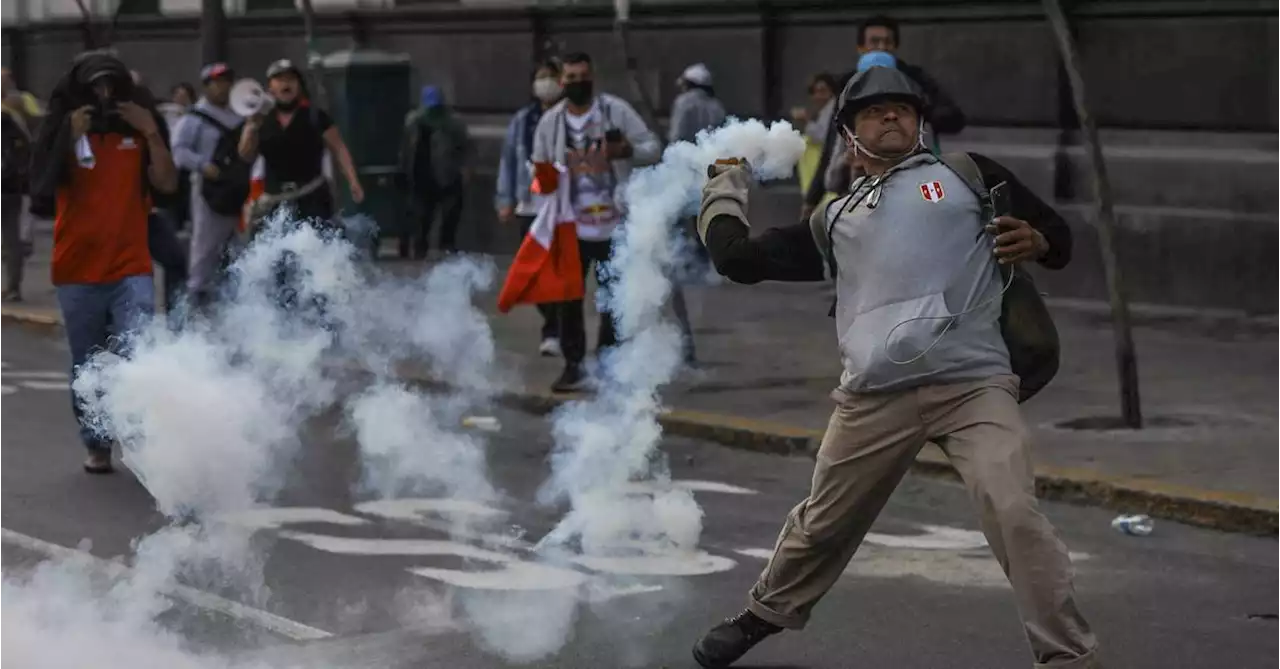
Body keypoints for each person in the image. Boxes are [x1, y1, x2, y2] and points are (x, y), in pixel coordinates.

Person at [690, 66, 1099, 669]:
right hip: (873, 397)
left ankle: (1068, 657)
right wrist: (724, 187)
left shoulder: (964, 175)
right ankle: (763, 614)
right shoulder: (834, 220)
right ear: (849, 137)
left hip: (974, 385)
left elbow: (1058, 236)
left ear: (920, 123)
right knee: (823, 524)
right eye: (874, 111)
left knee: (1014, 511)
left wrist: (1034, 241)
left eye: (902, 109)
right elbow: (739, 261)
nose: (890, 116)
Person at [29, 51, 178, 474]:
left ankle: (148, 444)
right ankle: (97, 442)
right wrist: (67, 139)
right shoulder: (65, 131)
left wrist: (150, 133)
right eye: (97, 87)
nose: (105, 96)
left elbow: (167, 185)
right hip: (77, 270)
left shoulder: (138, 128)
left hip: (131, 267)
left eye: (112, 86)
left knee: (141, 356)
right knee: (88, 366)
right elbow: (39, 187)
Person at [530, 51, 661, 392]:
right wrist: (545, 195)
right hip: (570, 225)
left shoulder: (615, 111)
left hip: (614, 224)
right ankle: (573, 365)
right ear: (562, 82)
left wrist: (627, 151)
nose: (577, 83)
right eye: (570, 78)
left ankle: (608, 364)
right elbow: (539, 166)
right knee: (568, 299)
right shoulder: (551, 123)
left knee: (612, 298)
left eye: (582, 76)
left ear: (593, 77)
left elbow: (653, 147)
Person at [802, 14, 966, 220]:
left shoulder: (915, 81)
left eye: (887, 42)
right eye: (874, 42)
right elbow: (831, 146)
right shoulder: (848, 86)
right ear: (861, 48)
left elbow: (953, 118)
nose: (881, 47)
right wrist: (812, 199)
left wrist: (920, 110)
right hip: (859, 194)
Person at [238, 59, 363, 229]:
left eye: (291, 79)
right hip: (275, 200)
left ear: (299, 86)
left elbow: (339, 148)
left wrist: (353, 180)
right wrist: (250, 127)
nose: (286, 83)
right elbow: (246, 155)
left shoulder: (315, 116)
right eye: (280, 79)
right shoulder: (262, 120)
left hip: (312, 197)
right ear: (270, 88)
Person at [495, 58, 564, 357]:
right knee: (533, 273)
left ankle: (555, 332)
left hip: (560, 207)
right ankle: (552, 321)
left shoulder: (569, 117)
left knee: (558, 271)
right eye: (541, 77)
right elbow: (509, 160)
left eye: (551, 76)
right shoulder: (523, 120)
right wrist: (505, 199)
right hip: (529, 205)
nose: (546, 82)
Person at [667, 62, 727, 366]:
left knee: (682, 220)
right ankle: (708, 258)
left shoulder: (683, 103)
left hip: (688, 170)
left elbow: (677, 138)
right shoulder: (716, 106)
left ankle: (690, 257)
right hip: (712, 172)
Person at [172, 63, 246, 308]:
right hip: (210, 191)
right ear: (206, 86)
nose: (223, 86)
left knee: (242, 246)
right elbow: (179, 151)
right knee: (204, 247)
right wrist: (203, 165)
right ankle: (195, 298)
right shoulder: (194, 118)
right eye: (217, 82)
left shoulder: (241, 113)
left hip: (240, 188)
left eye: (226, 81)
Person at [397, 85, 472, 259]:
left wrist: (465, 169)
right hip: (421, 176)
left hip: (447, 175)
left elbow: (466, 148)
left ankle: (446, 247)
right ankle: (420, 248)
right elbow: (406, 149)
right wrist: (404, 171)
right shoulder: (414, 121)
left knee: (449, 216)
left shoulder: (453, 123)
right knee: (422, 217)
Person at [791, 72, 838, 196]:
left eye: (822, 91)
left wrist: (807, 120)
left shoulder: (833, 108)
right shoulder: (824, 110)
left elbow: (823, 137)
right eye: (815, 92)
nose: (818, 96)